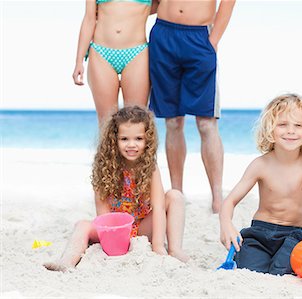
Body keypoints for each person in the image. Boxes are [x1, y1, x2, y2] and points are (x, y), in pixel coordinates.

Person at [44, 106, 189, 272]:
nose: (132, 145)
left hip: (141, 228)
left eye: (139, 139)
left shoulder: (150, 167)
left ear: (147, 140)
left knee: (175, 196)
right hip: (113, 232)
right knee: (83, 224)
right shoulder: (104, 167)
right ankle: (66, 261)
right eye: (124, 139)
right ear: (114, 140)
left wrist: (157, 246)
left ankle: (174, 250)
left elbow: (159, 207)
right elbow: (103, 215)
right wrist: (113, 241)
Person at [219, 93, 302, 275]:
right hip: (259, 233)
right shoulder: (260, 164)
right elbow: (229, 201)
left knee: (285, 267)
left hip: (293, 234)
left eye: (298, 125)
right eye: (282, 124)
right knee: (251, 268)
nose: (290, 131)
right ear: (270, 128)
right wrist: (226, 224)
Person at [148, 0, 236, 213]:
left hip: (199, 37)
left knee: (206, 123)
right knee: (173, 122)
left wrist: (212, 41)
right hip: (163, 33)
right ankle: (177, 193)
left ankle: (217, 198)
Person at [73, 0, 156, 123]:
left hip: (137, 53)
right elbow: (89, 19)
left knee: (137, 121)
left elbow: (166, 6)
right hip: (101, 53)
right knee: (106, 123)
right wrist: (79, 61)